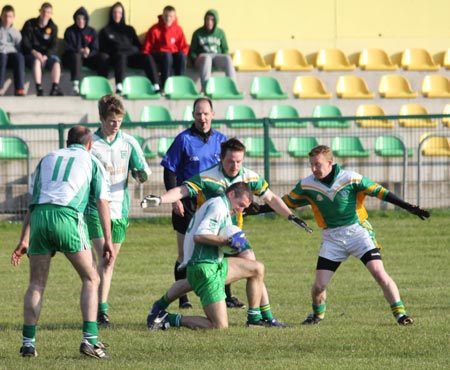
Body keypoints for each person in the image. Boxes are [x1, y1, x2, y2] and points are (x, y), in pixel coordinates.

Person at [142, 137, 312, 327]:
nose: (235, 165)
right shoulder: (209, 177)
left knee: (253, 266)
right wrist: (160, 199)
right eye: (230, 161)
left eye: (239, 161)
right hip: (210, 237)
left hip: (232, 234)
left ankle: (262, 317)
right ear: (221, 158)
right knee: (202, 277)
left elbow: (271, 198)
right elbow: (182, 191)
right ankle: (260, 317)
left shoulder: (249, 177)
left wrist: (291, 216)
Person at [280, 145, 430, 326]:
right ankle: (317, 315)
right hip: (332, 237)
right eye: (311, 165)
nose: (313, 169)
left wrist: (406, 206)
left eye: (317, 165)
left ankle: (401, 315)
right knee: (319, 286)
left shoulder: (350, 178)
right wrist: (256, 209)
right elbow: (286, 202)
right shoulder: (307, 184)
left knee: (379, 273)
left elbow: (380, 191)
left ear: (330, 163)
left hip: (358, 233)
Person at [10, 125, 114, 359]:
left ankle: (28, 344)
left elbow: (34, 202)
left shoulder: (47, 158)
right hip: (66, 216)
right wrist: (108, 239)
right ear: (89, 144)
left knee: (36, 283)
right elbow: (102, 202)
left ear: (67, 142)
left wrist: (23, 238)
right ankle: (90, 341)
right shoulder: (91, 160)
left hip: (39, 217)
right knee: (91, 278)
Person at [148, 182, 269, 330]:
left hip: (211, 263)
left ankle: (254, 319)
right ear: (231, 195)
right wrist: (228, 241)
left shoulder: (219, 205)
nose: (241, 210)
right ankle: (168, 318)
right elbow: (200, 236)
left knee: (257, 268)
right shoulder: (218, 208)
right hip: (205, 268)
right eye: (241, 204)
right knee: (219, 326)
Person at [85, 93, 151, 326]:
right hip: (94, 209)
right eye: (112, 121)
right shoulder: (91, 143)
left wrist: (139, 174)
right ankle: (100, 310)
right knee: (105, 256)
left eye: (119, 121)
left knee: (109, 262)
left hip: (120, 210)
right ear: (102, 119)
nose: (116, 125)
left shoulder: (129, 142)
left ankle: (99, 306)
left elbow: (142, 172)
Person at [158, 96, 226, 309]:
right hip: (187, 202)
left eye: (206, 113)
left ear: (213, 115)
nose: (202, 118)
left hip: (214, 204)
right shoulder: (183, 139)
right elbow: (169, 170)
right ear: (193, 115)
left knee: (220, 249)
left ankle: (227, 294)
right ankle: (182, 297)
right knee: (184, 252)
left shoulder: (222, 140)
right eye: (198, 114)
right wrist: (174, 199)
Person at [99, 2, 161, 94]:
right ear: (111, 14)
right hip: (117, 58)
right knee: (121, 56)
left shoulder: (129, 29)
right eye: (115, 12)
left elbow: (137, 46)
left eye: (119, 12)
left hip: (132, 57)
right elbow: (103, 48)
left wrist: (133, 50)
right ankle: (119, 86)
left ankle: (156, 85)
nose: (117, 15)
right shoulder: (106, 30)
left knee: (147, 57)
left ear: (122, 14)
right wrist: (118, 49)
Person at [62, 7, 109, 96]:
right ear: (75, 19)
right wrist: (79, 51)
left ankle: (102, 83)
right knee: (76, 56)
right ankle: (76, 85)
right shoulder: (69, 31)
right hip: (74, 59)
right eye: (78, 19)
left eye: (83, 19)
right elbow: (67, 47)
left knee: (104, 57)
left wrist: (89, 52)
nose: (81, 21)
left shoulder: (92, 31)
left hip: (89, 58)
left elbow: (96, 48)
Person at [21, 2, 63, 96]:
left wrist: (46, 56)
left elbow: (54, 45)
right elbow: (25, 41)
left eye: (48, 12)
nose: (45, 14)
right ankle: (39, 87)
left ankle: (55, 87)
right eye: (44, 11)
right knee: (36, 62)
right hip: (31, 54)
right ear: (40, 11)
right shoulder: (30, 24)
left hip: (46, 56)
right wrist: (34, 52)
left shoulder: (53, 27)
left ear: (51, 14)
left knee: (56, 62)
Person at [189, 9, 236, 92]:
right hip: (203, 57)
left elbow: (225, 49)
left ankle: (232, 86)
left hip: (216, 57)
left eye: (212, 20)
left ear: (216, 21)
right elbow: (192, 51)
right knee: (207, 58)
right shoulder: (197, 33)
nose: (209, 22)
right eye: (207, 19)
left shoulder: (220, 33)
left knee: (227, 58)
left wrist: (224, 55)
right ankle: (205, 88)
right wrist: (195, 59)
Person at [142, 5, 188, 89]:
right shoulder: (155, 29)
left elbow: (183, 46)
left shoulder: (178, 30)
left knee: (181, 56)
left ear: (174, 17)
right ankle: (166, 85)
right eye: (166, 16)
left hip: (173, 54)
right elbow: (147, 47)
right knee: (167, 55)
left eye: (171, 16)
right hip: (160, 55)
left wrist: (183, 54)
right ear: (162, 16)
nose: (168, 18)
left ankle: (179, 84)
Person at [0, 5, 25, 96]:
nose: (7, 19)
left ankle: (19, 88)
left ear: (13, 17)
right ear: (1, 16)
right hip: (1, 55)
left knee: (19, 57)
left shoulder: (16, 32)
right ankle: (0, 87)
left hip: (10, 56)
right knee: (2, 56)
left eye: (10, 16)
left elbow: (18, 47)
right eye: (5, 16)